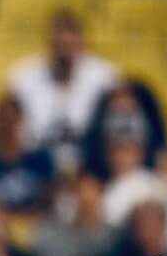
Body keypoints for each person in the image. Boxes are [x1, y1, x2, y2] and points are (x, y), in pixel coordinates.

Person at [9, 10, 118, 170]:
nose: (65, 53)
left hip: (91, 165)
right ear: (50, 44)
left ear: (82, 45)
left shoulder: (103, 76)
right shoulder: (24, 76)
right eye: (60, 45)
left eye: (70, 45)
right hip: (37, 164)